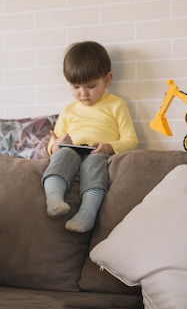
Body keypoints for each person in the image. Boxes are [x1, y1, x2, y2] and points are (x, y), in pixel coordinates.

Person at [43, 41, 138, 233]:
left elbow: (132, 140)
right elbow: (53, 145)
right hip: (72, 150)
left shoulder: (116, 105)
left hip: (97, 153)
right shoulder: (68, 110)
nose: (83, 93)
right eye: (75, 87)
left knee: (94, 163)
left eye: (91, 86)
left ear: (107, 79)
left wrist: (108, 147)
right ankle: (54, 199)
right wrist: (57, 145)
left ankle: (87, 213)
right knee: (63, 154)